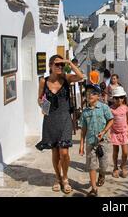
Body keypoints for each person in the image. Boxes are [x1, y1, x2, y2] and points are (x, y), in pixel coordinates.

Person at [36, 55, 84, 194]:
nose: (60, 67)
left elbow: (80, 76)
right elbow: (40, 99)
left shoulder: (66, 78)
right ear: (50, 65)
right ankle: (57, 178)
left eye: (62, 65)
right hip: (50, 120)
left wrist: (68, 62)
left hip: (65, 119)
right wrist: (44, 106)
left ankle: (65, 178)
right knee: (55, 152)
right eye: (57, 64)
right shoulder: (43, 81)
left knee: (64, 152)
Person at [79, 85, 114, 197]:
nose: (89, 95)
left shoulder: (104, 108)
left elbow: (111, 120)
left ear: (98, 96)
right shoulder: (85, 112)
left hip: (103, 142)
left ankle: (102, 174)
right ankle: (94, 189)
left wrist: (103, 131)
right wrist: (81, 144)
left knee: (104, 165)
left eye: (93, 93)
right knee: (91, 166)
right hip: (90, 142)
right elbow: (83, 129)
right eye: (88, 93)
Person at [109, 86, 128, 179]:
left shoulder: (126, 108)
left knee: (125, 152)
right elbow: (109, 121)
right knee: (116, 151)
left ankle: (123, 165)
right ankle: (115, 167)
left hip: (124, 132)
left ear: (124, 98)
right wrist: (107, 132)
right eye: (117, 98)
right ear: (113, 98)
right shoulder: (111, 109)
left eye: (121, 97)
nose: (119, 100)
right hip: (114, 133)